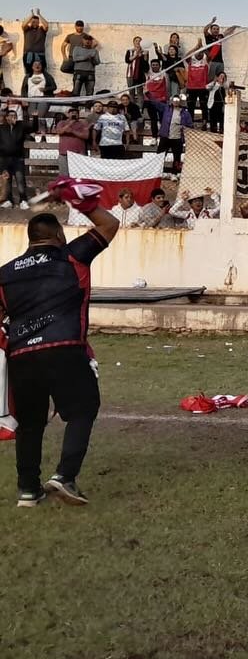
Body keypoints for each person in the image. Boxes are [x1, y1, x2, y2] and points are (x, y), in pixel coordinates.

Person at [3, 179, 119, 506]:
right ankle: (65, 476)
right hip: (65, 348)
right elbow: (110, 224)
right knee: (83, 408)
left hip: (22, 354)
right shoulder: (73, 256)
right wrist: (79, 200)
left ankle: (28, 490)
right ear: (58, 236)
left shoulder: (6, 272)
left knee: (30, 423)